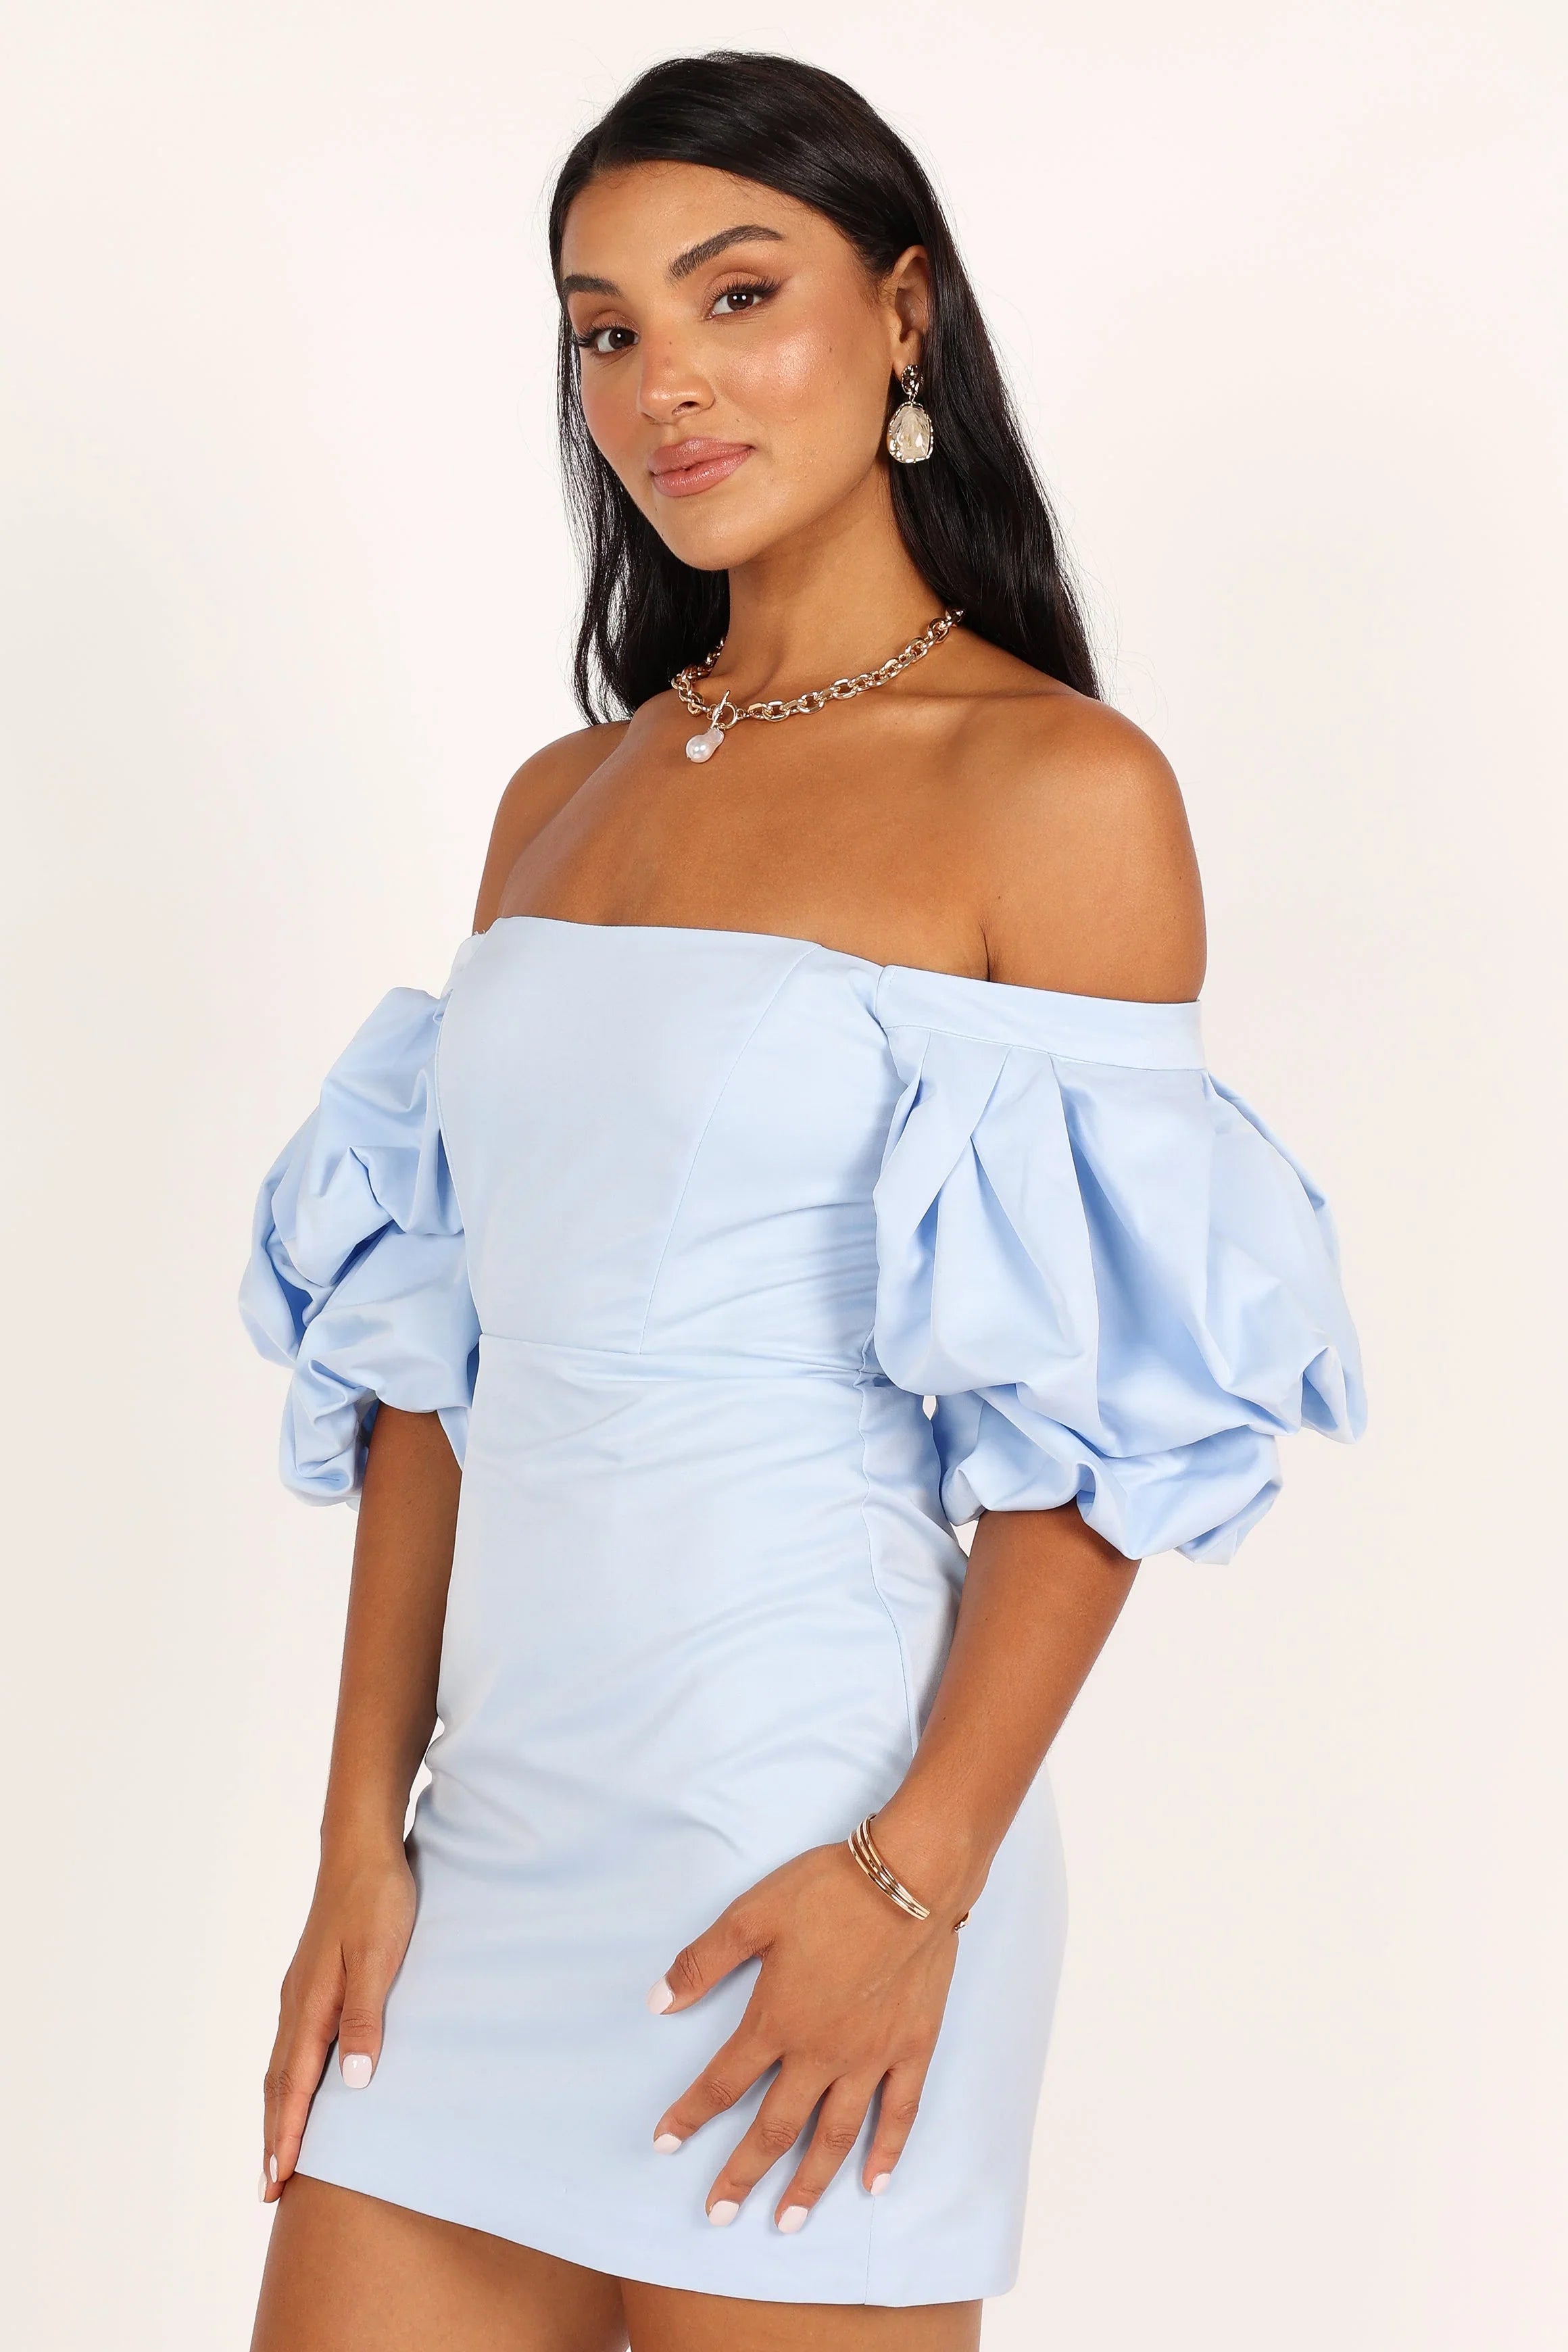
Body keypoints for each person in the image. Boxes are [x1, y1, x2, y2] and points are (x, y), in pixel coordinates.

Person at [241, 51, 1363, 2352]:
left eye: (736, 295)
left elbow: (1107, 1425)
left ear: (905, 314)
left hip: (811, 1841)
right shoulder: (562, 797)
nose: (662, 382)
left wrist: (913, 1880)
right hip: (481, 1860)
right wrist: (360, 1836)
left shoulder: (1056, 787)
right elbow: (435, 1366)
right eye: (607, 329)